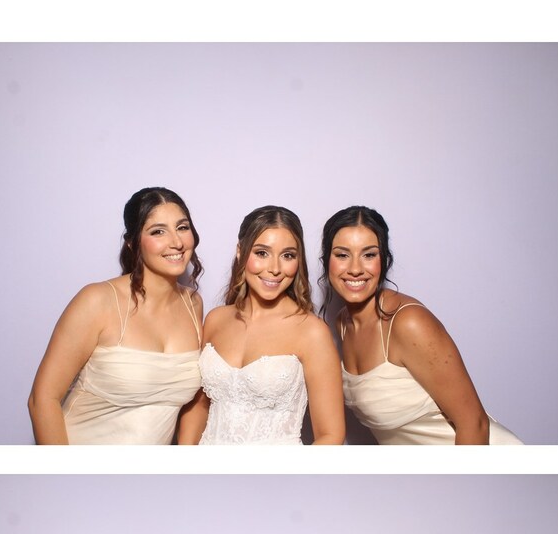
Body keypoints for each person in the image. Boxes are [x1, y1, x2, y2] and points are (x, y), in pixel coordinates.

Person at [321, 205, 522, 446]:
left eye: (369, 255)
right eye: (342, 255)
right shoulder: (343, 323)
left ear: (384, 260)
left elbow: (474, 424)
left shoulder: (408, 322)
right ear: (327, 260)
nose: (355, 269)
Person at [28, 187, 204, 445]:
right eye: (158, 231)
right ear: (133, 242)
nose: (176, 242)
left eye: (182, 227)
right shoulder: (97, 300)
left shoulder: (193, 304)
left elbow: (195, 405)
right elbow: (42, 399)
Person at [178, 206, 344, 446]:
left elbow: (331, 435)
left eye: (288, 255)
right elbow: (199, 407)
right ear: (240, 251)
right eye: (262, 253)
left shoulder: (312, 331)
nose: (274, 268)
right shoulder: (215, 319)